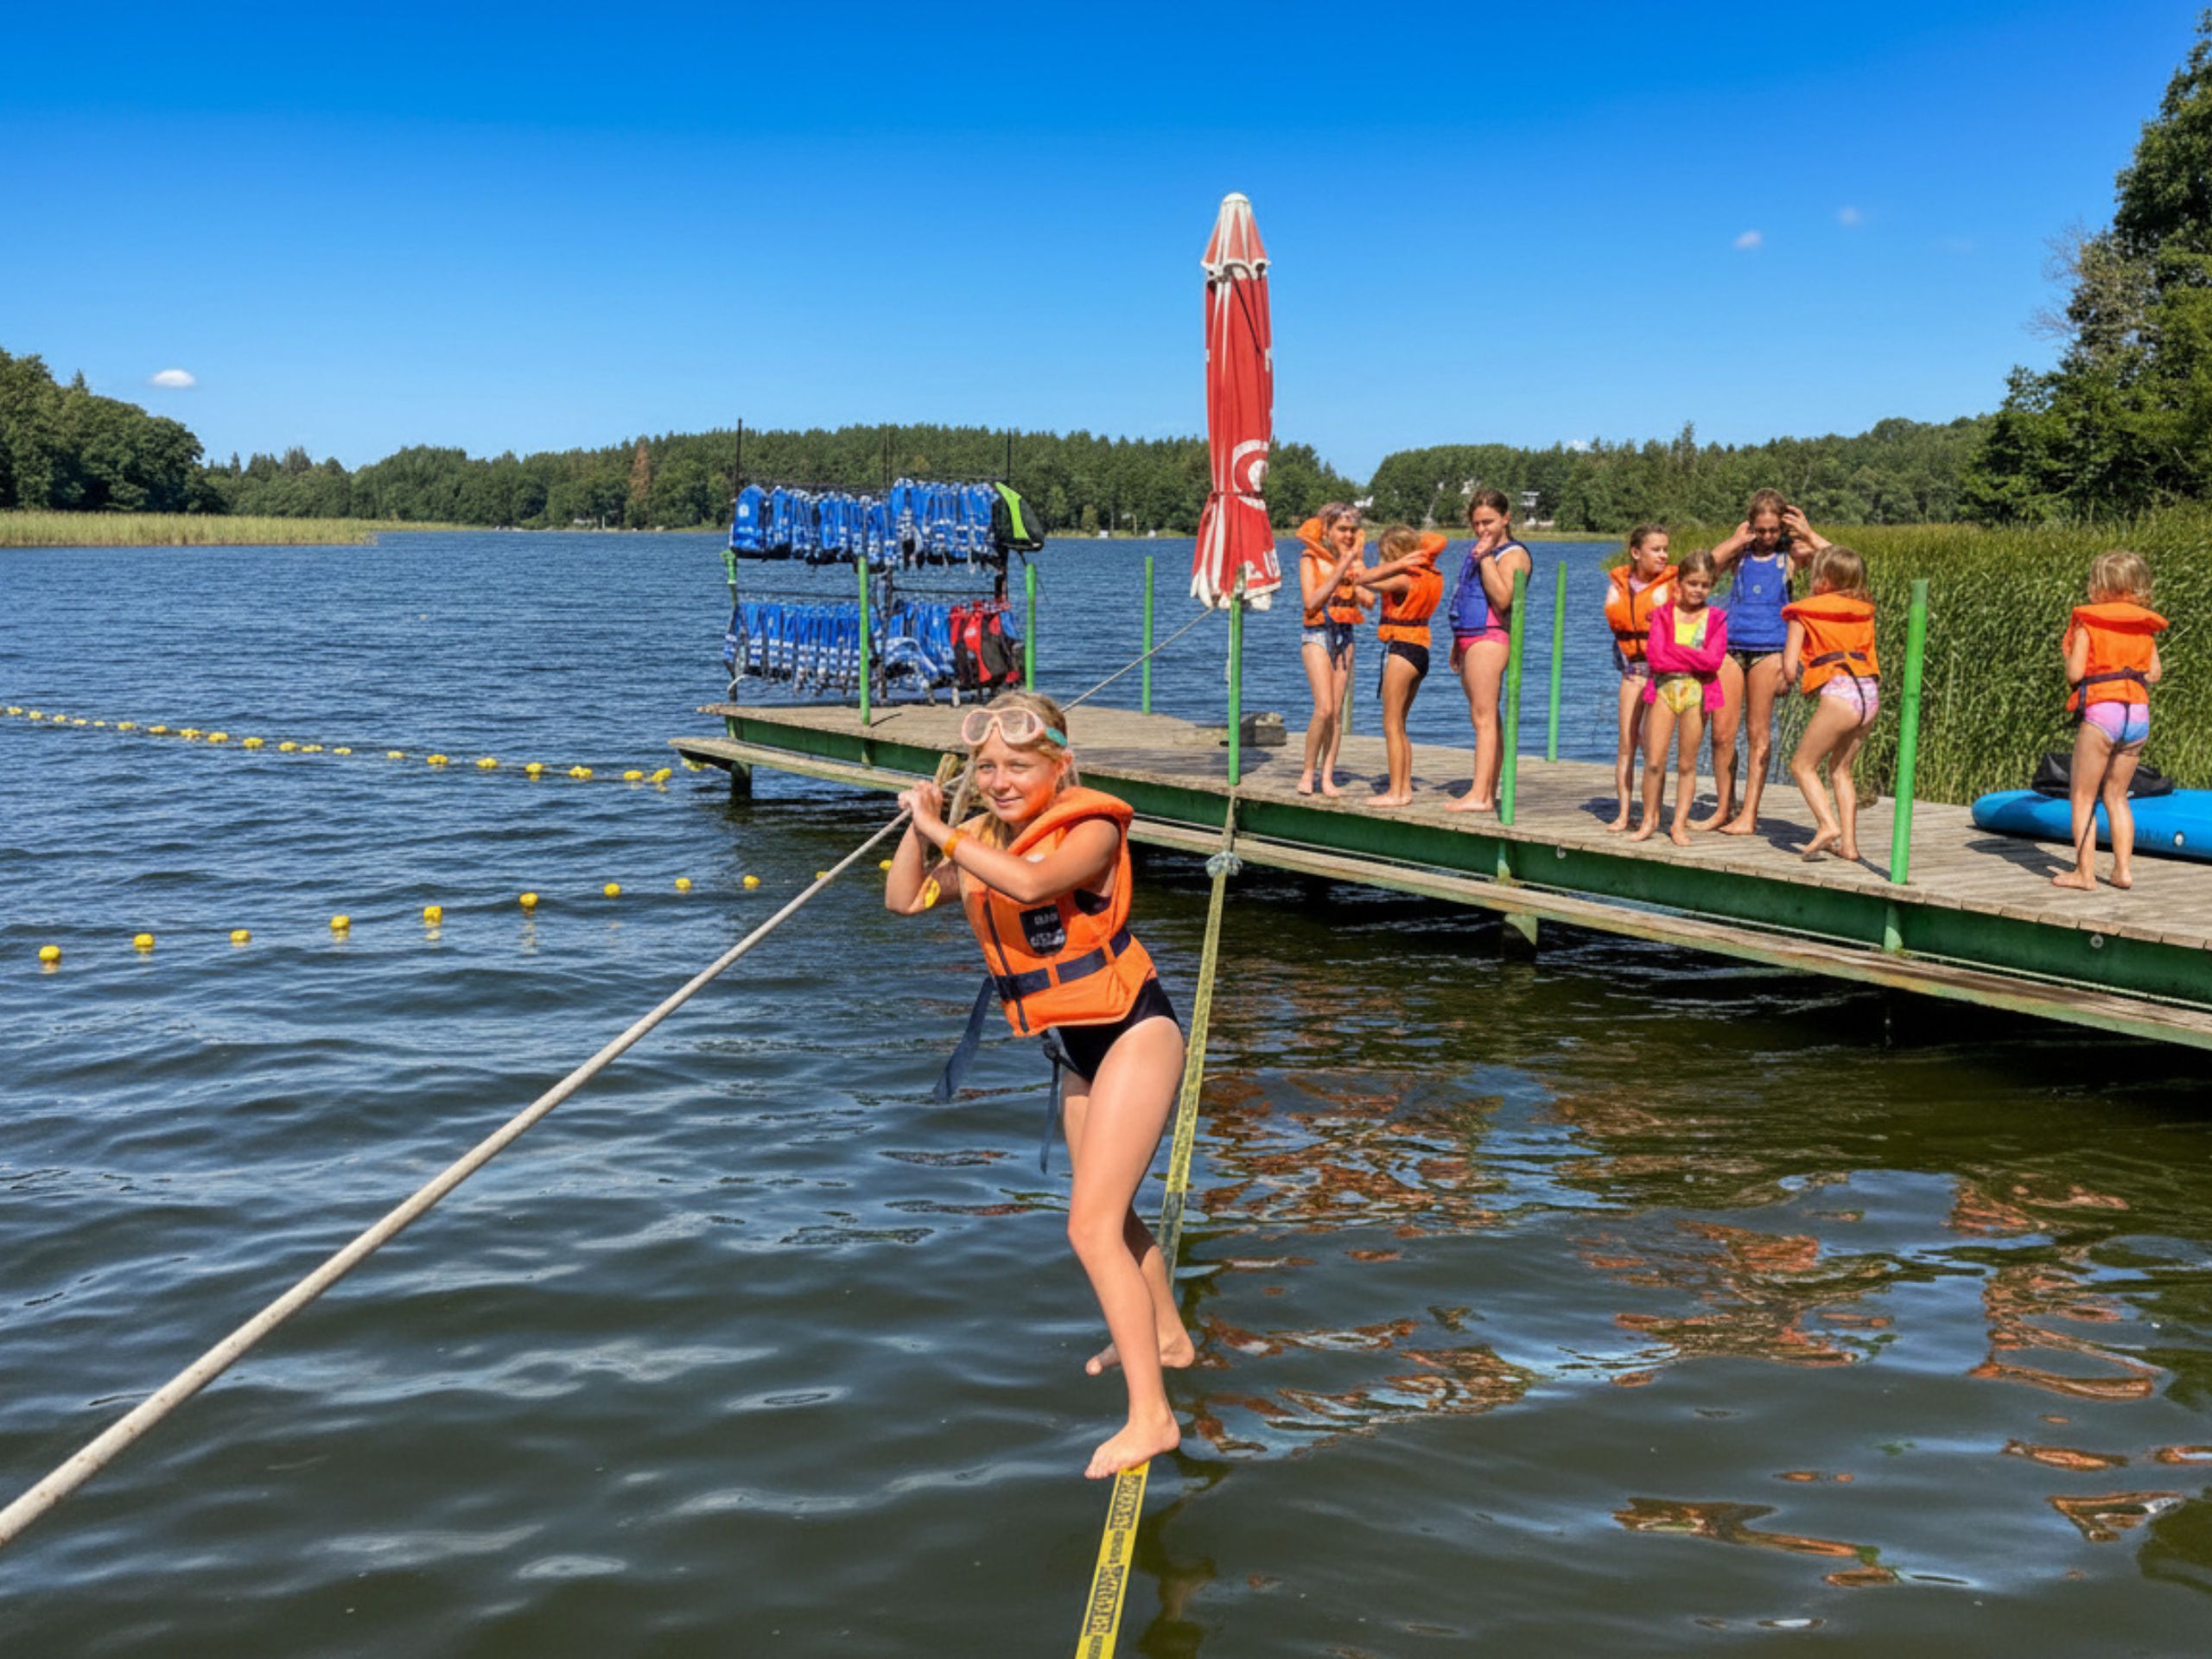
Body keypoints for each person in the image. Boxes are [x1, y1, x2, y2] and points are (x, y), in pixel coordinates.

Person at [885, 690, 1192, 1479]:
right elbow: (905, 900)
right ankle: (1164, 1338)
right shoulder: (981, 834)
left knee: (1088, 1228)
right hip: (1074, 1047)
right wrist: (918, 827)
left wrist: (943, 831)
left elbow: (1030, 886)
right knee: (1110, 1213)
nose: (1000, 781)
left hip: (1133, 1032)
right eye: (985, 768)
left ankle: (1151, 1417)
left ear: (1061, 763)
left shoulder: (1089, 830)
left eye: (1019, 766)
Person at [1704, 489, 1830, 833]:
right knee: (1721, 734)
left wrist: (1806, 531)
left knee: (1757, 733)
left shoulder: (1790, 555)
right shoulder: (1740, 554)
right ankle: (1723, 808)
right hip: (1731, 648)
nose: (1767, 537)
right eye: (1760, 530)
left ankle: (1749, 814)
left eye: (1773, 530)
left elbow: (1841, 561)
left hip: (1769, 650)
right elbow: (1701, 567)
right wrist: (1734, 541)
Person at [2053, 550, 2168, 892]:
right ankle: (2122, 871)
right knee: (2117, 795)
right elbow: (2155, 674)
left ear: (2097, 588)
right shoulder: (2143, 628)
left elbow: (2075, 672)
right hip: (2137, 716)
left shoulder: (2090, 624)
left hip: (2103, 714)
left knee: (2083, 796)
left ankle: (2085, 874)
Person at [1780, 545, 1880, 862]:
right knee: (1841, 770)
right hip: (1868, 693)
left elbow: (1788, 668)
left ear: (1823, 578)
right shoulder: (1863, 609)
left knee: (1802, 765)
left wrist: (1788, 681)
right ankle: (1849, 847)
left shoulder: (1803, 612)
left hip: (1839, 694)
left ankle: (1827, 825)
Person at [1631, 549, 1729, 847]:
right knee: (1654, 761)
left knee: (1687, 764)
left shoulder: (1716, 618)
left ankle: (1678, 824)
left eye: (1704, 585)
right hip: (1664, 691)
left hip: (1697, 695)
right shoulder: (1663, 614)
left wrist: (1677, 651)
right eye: (1692, 583)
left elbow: (1713, 661)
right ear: (1680, 584)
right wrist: (1693, 656)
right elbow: (1657, 660)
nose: (1698, 590)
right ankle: (1649, 819)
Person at [1442, 490, 1532, 814]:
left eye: (1489, 522)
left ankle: (1481, 794)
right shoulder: (1481, 549)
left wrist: (1486, 558)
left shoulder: (1512, 554)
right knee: (1484, 716)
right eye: (1477, 523)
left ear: (1506, 518)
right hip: (1468, 636)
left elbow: (1503, 598)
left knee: (1484, 717)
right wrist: (1456, 642)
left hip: (1490, 636)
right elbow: (1466, 597)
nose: (1482, 529)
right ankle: (1487, 788)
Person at [1356, 524, 1447, 809]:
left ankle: (1396, 792)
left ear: (1396, 554)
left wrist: (1394, 565)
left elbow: (1364, 578)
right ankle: (1404, 788)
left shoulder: (1404, 579)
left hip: (1403, 651)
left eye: (1386, 554)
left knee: (1391, 725)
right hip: (1421, 650)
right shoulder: (1429, 575)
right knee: (1401, 726)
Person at [1602, 525, 1676, 831]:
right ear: (1636, 553)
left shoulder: (1673, 584)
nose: (1664, 555)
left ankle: (1652, 813)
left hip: (1661, 677)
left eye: (1665, 549)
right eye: (1656, 549)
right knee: (1626, 745)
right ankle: (1623, 812)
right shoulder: (1618, 584)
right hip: (1632, 673)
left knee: (1654, 748)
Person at [1295, 505, 1370, 798]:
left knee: (1336, 712)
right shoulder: (1309, 558)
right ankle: (1307, 772)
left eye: (1352, 530)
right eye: (1342, 529)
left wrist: (1364, 583)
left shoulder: (1354, 562)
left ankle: (1327, 777)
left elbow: (1367, 599)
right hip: (1317, 633)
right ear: (1327, 531)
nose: (1349, 535)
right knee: (1324, 708)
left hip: (1344, 634)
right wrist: (1344, 566)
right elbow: (1311, 600)